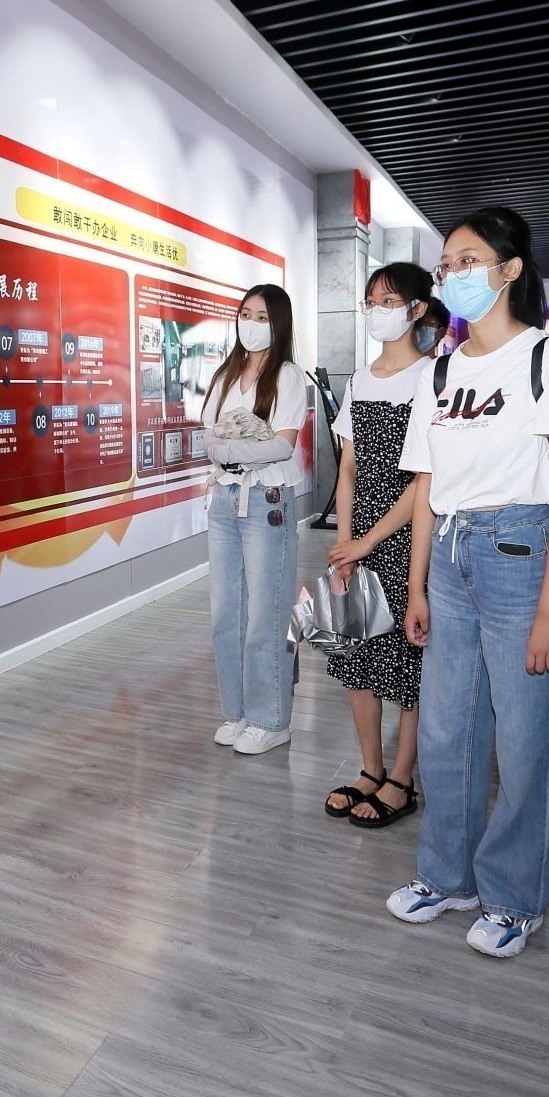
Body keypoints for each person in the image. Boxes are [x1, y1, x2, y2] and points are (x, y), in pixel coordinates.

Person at [384, 206, 549, 958]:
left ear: (510, 270)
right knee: (447, 729)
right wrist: (416, 586)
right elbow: (426, 486)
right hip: (449, 553)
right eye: (446, 263)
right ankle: (447, 877)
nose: (453, 274)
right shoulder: (440, 371)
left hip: (522, 552)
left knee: (525, 736)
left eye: (469, 260)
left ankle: (514, 897)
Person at [322, 262, 444, 826]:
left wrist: (367, 541)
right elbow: (347, 469)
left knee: (407, 661)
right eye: (371, 301)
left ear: (417, 310)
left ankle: (401, 777)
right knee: (356, 656)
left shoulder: (433, 377)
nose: (378, 311)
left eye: (389, 301)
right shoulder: (359, 379)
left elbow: (423, 482)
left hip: (408, 535)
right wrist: (344, 542)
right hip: (358, 539)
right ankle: (369, 769)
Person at [201, 283, 307, 756]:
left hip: (267, 500)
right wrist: (236, 448)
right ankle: (237, 712)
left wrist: (229, 449)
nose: (251, 323)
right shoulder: (227, 373)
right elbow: (209, 437)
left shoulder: (288, 375)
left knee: (266, 612)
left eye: (262, 317)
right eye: (246, 314)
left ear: (278, 323)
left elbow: (282, 445)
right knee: (226, 611)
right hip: (224, 498)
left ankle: (271, 719)